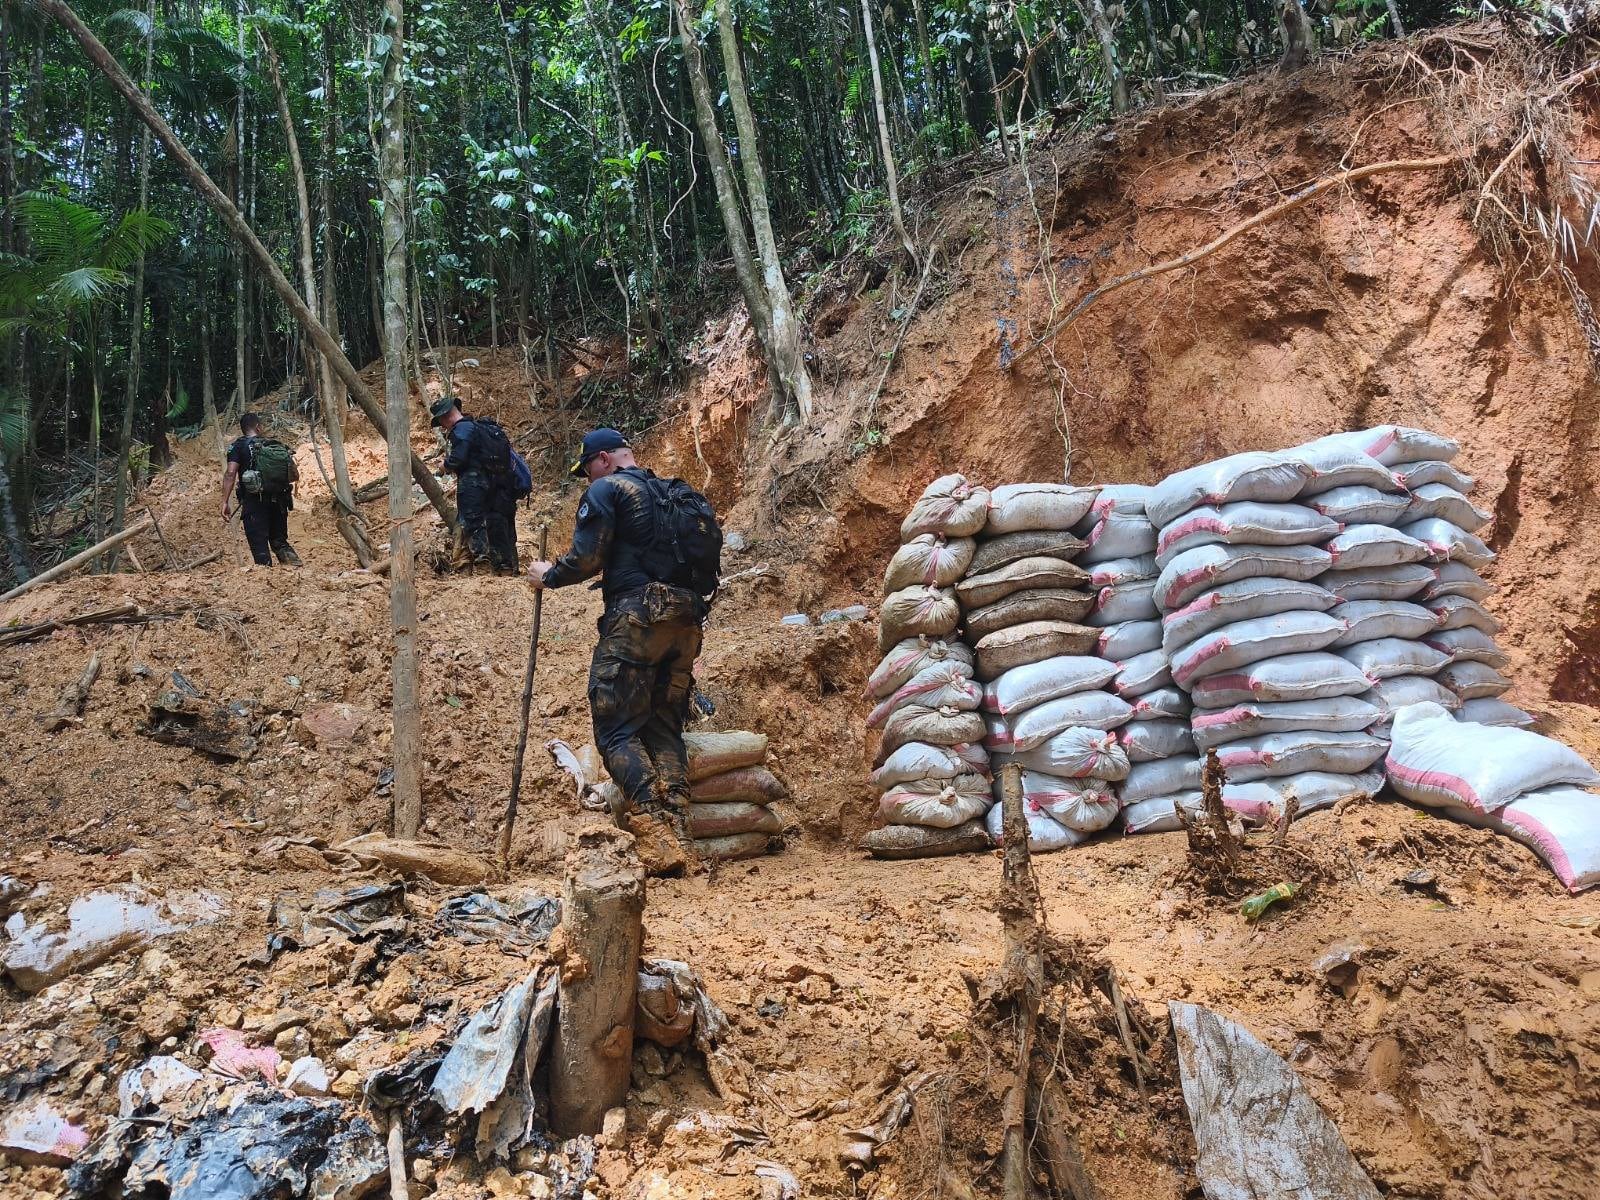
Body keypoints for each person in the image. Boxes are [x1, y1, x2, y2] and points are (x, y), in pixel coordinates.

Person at [527, 428, 722, 854]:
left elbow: (588, 557)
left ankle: (654, 830)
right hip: (687, 621)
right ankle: (681, 831)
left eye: (587, 472)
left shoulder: (608, 490)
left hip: (638, 618)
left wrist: (549, 576)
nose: (588, 481)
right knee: (663, 723)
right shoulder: (677, 494)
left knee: (615, 727)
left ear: (601, 460)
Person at [431, 396, 519, 574]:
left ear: (446, 416)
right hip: (492, 482)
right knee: (494, 521)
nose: (442, 425)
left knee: (473, 520)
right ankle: (507, 566)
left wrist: (445, 466)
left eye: (441, 420)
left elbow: (459, 457)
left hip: (472, 482)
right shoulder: (476, 428)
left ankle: (482, 563)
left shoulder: (461, 430)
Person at [222, 412, 301, 567]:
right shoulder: (273, 444)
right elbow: (293, 474)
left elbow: (231, 473)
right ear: (258, 427)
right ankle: (296, 574)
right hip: (279, 501)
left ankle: (267, 582)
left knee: (260, 548)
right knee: (279, 542)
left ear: (243, 429)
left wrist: (224, 501)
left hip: (254, 504)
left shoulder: (237, 446)